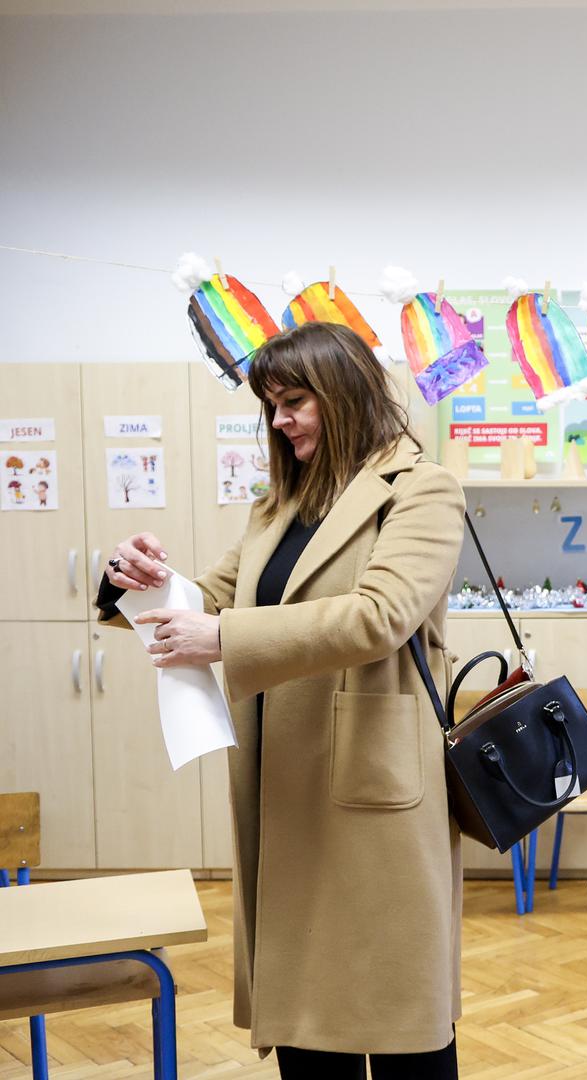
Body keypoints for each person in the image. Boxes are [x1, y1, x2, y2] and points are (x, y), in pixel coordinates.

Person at [98, 321, 466, 1079]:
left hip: (378, 784)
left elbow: (380, 614)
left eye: (294, 401)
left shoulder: (421, 489)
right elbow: (213, 598)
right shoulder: (277, 506)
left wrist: (223, 637)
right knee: (306, 1024)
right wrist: (132, 578)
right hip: (288, 787)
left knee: (402, 1021)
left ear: (346, 393)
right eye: (270, 405)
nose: (279, 421)